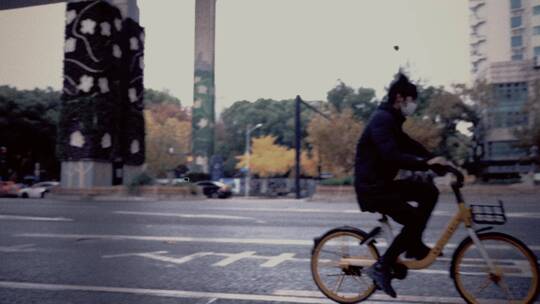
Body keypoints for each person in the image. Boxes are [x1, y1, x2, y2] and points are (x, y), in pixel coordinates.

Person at [354, 73, 448, 297]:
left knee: (428, 191)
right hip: (372, 189)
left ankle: (414, 245)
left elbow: (409, 144)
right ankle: (382, 266)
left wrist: (435, 160)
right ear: (399, 98)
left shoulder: (391, 120)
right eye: (412, 100)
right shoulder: (381, 120)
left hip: (383, 185)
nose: (413, 105)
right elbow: (391, 155)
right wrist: (425, 163)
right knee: (413, 219)